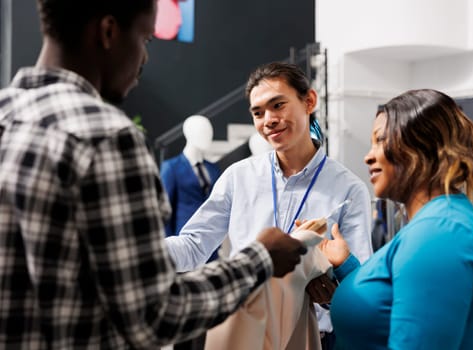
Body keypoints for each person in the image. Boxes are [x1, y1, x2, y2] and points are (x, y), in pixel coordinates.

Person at [0, 1, 308, 348]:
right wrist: (259, 259)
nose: (144, 59)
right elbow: (155, 313)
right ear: (108, 32)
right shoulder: (106, 138)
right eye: (145, 39)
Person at [165, 62, 372, 349]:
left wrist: (332, 292)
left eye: (278, 105)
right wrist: (144, 254)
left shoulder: (349, 189)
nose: (268, 120)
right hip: (243, 332)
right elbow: (193, 246)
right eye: (258, 112)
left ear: (309, 101)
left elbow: (360, 279)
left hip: (313, 336)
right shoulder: (238, 177)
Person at [316, 89, 473, 349]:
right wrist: (346, 266)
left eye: (381, 140)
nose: (368, 156)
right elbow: (390, 305)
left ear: (422, 146)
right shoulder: (436, 225)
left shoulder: (440, 234)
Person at [160, 115, 221, 238]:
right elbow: (164, 210)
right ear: (189, 133)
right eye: (203, 132)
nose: (208, 136)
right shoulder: (171, 167)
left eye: (210, 131)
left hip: (210, 239)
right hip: (183, 238)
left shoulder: (213, 168)